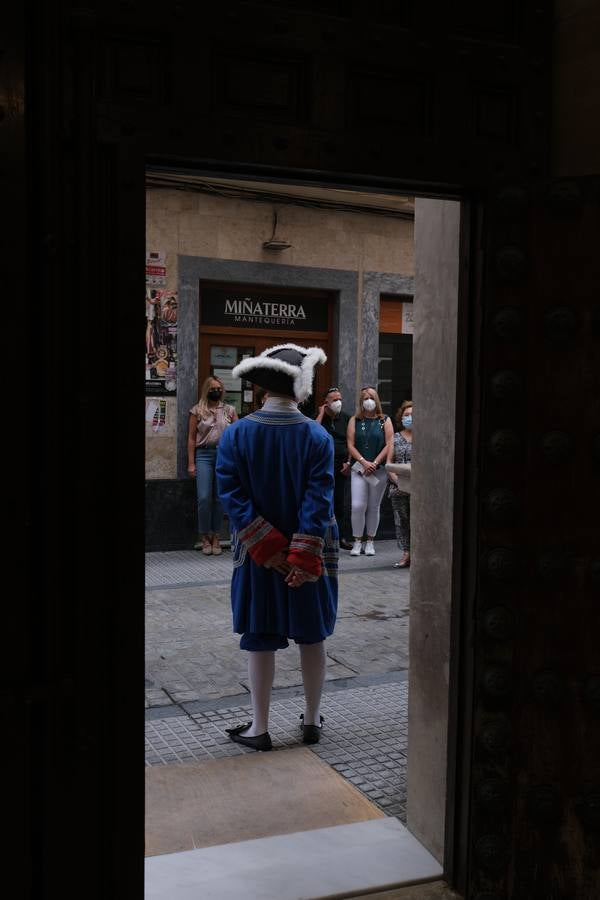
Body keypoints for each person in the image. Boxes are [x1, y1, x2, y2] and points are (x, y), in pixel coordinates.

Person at [216, 343, 338, 751]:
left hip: (256, 557)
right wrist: (300, 556)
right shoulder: (318, 436)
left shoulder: (236, 434)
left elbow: (230, 493)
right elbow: (318, 500)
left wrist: (268, 548)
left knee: (259, 633)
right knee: (312, 635)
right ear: (300, 387)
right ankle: (310, 720)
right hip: (310, 554)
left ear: (262, 388)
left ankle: (260, 726)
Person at [187, 376, 238, 555]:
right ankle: (204, 536)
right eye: (213, 388)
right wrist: (191, 463)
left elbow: (237, 436)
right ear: (206, 390)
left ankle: (216, 535)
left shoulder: (229, 410)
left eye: (219, 388)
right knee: (204, 497)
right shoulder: (197, 410)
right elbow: (192, 438)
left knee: (219, 498)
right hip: (204, 455)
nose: (216, 391)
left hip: (224, 456)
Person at [346, 386, 394, 556]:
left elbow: (389, 443)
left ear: (377, 400)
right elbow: (350, 444)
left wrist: (374, 462)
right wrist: (363, 462)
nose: (368, 400)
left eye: (371, 397)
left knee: (374, 506)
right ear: (361, 402)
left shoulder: (385, 420)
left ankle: (370, 541)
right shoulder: (355, 420)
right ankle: (357, 541)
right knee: (358, 505)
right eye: (365, 398)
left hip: (378, 469)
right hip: (359, 469)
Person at [315, 387, 353, 550]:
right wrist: (321, 414)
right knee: (323, 500)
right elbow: (313, 433)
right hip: (323, 465)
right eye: (334, 400)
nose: (338, 402)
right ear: (326, 403)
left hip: (341, 465)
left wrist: (348, 462)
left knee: (339, 501)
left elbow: (351, 442)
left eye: (340, 399)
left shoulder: (346, 418)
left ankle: (341, 536)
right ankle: (322, 536)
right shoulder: (318, 418)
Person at [387, 400, 413, 568]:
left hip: (419, 488)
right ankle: (406, 553)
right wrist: (397, 480)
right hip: (398, 488)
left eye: (412, 415)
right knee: (402, 520)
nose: (409, 418)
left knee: (416, 520)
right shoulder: (395, 437)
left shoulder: (425, 437)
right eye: (406, 415)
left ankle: (419, 552)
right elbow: (389, 462)